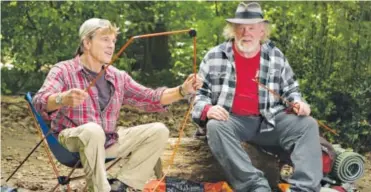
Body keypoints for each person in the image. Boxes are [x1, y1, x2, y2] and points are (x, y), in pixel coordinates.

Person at [33, 18, 202, 192]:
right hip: (71, 140)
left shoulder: (117, 76)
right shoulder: (63, 70)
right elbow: (39, 101)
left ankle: (121, 185)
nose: (111, 45)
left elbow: (150, 97)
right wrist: (62, 98)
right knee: (92, 130)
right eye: (105, 39)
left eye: (113, 41)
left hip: (108, 141)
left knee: (158, 131)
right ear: (87, 43)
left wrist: (182, 90)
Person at [192, 2, 322, 192]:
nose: (246, 33)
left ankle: (304, 188)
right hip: (232, 120)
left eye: (252, 28)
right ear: (233, 30)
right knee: (215, 126)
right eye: (241, 28)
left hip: (269, 120)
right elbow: (198, 95)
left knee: (308, 124)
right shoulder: (214, 56)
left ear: (262, 32)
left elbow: (291, 89)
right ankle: (255, 186)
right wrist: (207, 109)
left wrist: (298, 102)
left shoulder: (275, 56)